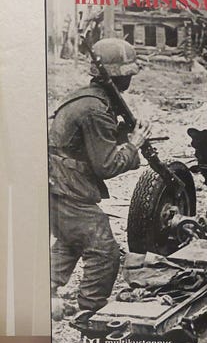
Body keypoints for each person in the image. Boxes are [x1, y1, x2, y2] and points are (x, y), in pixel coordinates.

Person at [49, 38, 151, 322]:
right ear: (120, 75)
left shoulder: (88, 97)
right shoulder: (96, 109)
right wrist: (133, 145)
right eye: (128, 73)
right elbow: (106, 165)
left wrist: (121, 135)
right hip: (66, 185)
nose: (130, 78)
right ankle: (90, 311)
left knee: (73, 238)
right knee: (104, 250)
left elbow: (87, 144)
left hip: (56, 180)